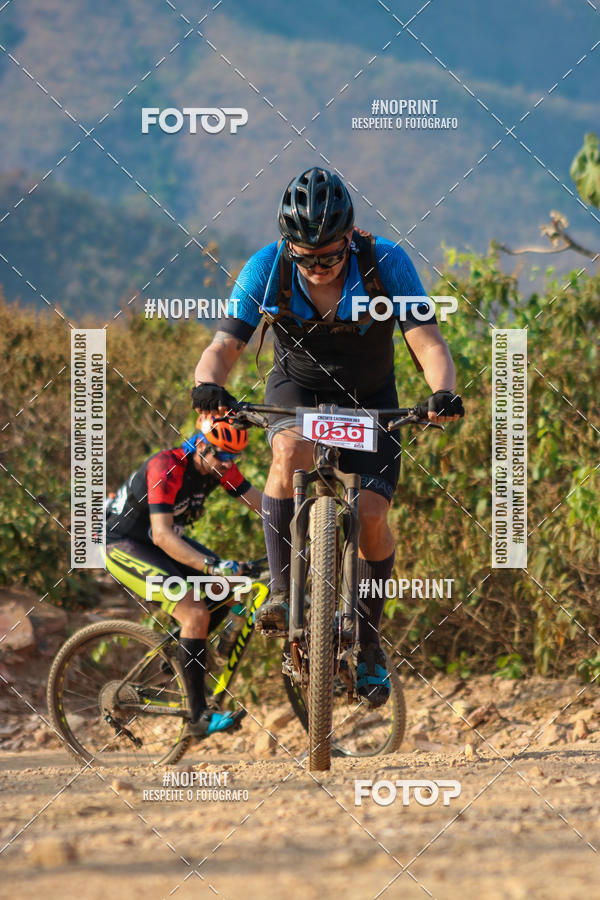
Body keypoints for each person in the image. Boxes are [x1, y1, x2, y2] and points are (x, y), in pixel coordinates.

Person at [192, 167, 464, 708]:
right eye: (306, 258)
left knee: (369, 515)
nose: (317, 268)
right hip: (298, 391)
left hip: (371, 398)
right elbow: (224, 346)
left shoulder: (386, 262)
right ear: (288, 247)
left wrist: (442, 392)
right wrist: (207, 384)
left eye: (330, 257)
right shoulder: (266, 267)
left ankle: (368, 642)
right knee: (288, 450)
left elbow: (428, 342)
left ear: (351, 238)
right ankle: (283, 591)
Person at [104, 415, 262, 738]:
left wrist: (307, 512)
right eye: (222, 455)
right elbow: (162, 536)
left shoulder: (218, 467)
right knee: (194, 612)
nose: (227, 464)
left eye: (234, 458)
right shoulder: (167, 467)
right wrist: (210, 567)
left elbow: (265, 505)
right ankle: (197, 718)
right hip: (122, 543)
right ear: (200, 446)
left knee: (230, 586)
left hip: (156, 541)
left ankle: (180, 655)